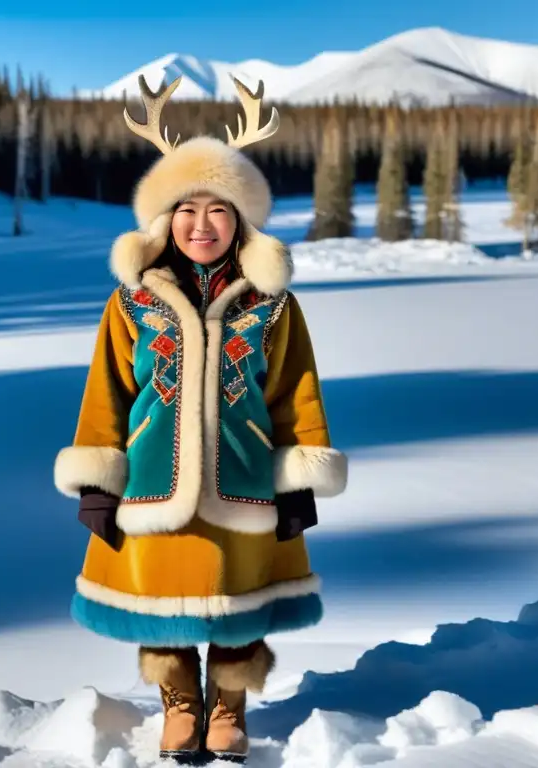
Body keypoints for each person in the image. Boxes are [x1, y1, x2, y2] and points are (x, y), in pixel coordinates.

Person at [53, 74, 348, 763]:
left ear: (240, 221)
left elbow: (295, 392)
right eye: (188, 209)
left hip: (243, 479)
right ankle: (179, 702)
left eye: (218, 210)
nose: (202, 224)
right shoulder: (131, 303)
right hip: (152, 484)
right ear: (164, 219)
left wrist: (300, 476)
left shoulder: (271, 306)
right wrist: (98, 478)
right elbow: (107, 393)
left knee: (239, 593)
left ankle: (229, 707)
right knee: (164, 598)